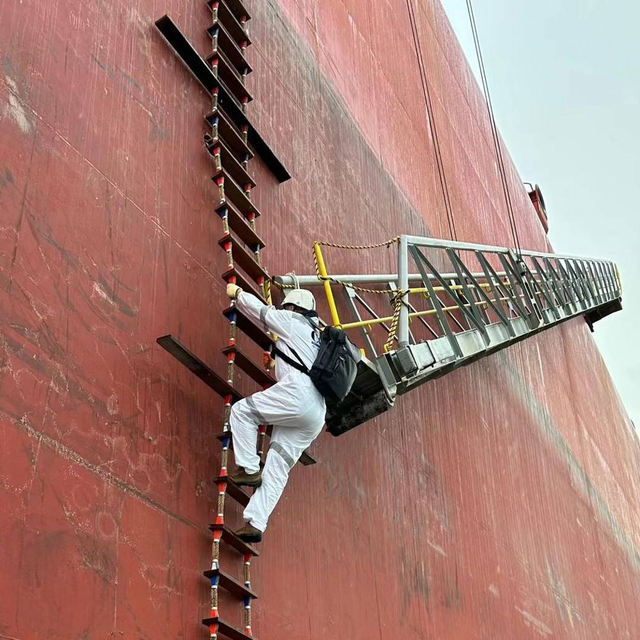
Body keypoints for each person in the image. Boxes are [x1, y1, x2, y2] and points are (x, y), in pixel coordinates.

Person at [225, 284, 326, 543]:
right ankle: (256, 522)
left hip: (298, 394)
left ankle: (248, 467)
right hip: (317, 412)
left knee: (242, 412)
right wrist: (275, 360)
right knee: (279, 463)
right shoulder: (318, 335)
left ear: (293, 307)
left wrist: (238, 294)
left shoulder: (292, 321)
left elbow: (262, 312)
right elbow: (298, 359)